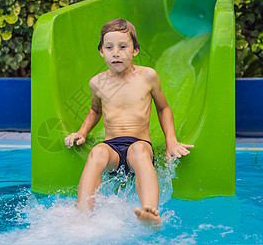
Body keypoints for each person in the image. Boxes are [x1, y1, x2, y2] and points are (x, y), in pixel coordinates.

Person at [64, 18, 193, 225]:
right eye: (109, 47)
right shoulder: (97, 82)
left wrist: (171, 142)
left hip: (139, 144)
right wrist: (82, 132)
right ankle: (82, 217)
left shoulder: (148, 77)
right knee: (96, 153)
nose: (116, 52)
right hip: (112, 148)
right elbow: (95, 110)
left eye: (123, 46)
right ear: (101, 52)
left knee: (139, 152)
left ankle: (150, 213)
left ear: (135, 50)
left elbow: (163, 108)